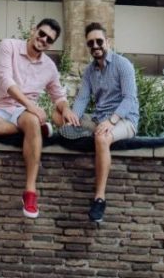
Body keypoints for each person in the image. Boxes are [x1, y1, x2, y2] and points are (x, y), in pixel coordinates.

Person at [0, 18, 76, 219]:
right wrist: (31, 105)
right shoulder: (8, 46)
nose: (43, 40)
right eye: (41, 34)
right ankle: (34, 131)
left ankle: (30, 192)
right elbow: (6, 80)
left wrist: (66, 109)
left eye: (49, 39)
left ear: (51, 44)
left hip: (22, 113)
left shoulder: (49, 66)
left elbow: (58, 96)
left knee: (32, 120)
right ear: (34, 30)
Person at [68, 22, 140, 223]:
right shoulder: (90, 70)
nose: (95, 46)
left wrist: (111, 120)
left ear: (108, 42)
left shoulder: (122, 64)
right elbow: (82, 98)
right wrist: (72, 117)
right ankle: (80, 131)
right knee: (59, 114)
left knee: (101, 137)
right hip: (100, 118)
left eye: (99, 41)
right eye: (91, 43)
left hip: (124, 119)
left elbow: (129, 99)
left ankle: (99, 198)